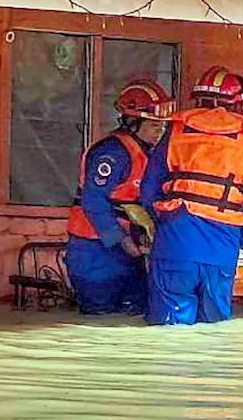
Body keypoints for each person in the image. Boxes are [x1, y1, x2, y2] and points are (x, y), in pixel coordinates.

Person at [141, 67, 243, 325]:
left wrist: (164, 222)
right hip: (222, 248)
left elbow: (148, 190)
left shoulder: (174, 134)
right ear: (237, 104)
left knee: (169, 334)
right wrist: (241, 235)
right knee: (214, 333)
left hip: (175, 242)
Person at [65, 80, 173, 315]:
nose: (160, 131)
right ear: (133, 122)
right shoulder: (112, 153)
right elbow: (93, 201)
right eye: (154, 125)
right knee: (100, 320)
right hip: (95, 251)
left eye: (162, 125)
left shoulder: (147, 154)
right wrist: (121, 241)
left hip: (127, 252)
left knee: (136, 316)